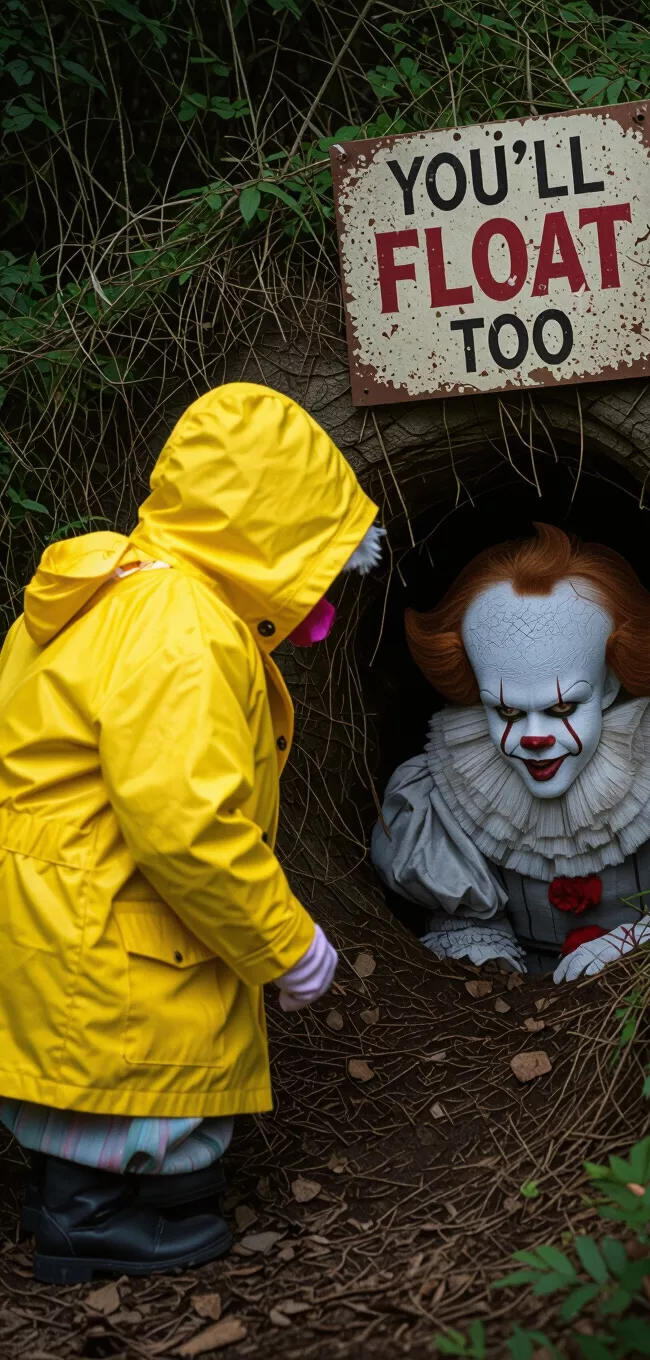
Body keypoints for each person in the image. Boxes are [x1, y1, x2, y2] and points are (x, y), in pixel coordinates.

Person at [0, 383, 383, 1283]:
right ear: (275, 534)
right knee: (127, 1060)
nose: (321, 597)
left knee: (83, 1066)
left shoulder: (106, 592)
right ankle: (91, 1217)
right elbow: (187, 828)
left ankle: (67, 1191)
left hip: (55, 909)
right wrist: (284, 945)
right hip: (112, 922)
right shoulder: (186, 630)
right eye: (319, 561)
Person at [372, 524, 650, 979]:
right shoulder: (441, 791)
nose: (534, 737)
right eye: (505, 710)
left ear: (611, 684)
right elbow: (465, 941)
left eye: (562, 706)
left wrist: (642, 941)